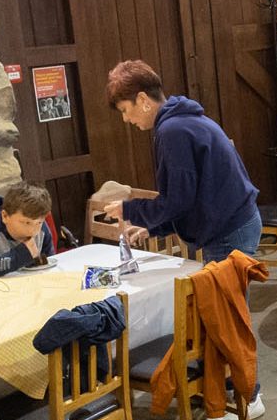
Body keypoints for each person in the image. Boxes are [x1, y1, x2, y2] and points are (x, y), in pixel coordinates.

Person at [100, 59, 262, 265]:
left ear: (142, 100)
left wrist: (128, 209)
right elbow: (188, 198)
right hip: (234, 222)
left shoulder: (172, 131)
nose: (125, 119)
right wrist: (153, 228)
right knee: (225, 296)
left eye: (124, 109)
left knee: (225, 298)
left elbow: (178, 200)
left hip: (228, 229)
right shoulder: (179, 121)